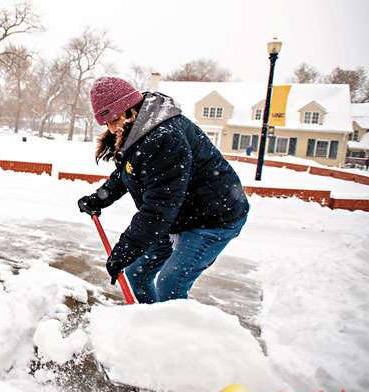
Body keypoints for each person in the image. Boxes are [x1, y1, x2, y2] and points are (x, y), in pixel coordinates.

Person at [78, 77, 249, 303]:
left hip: (213, 217)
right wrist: (100, 198)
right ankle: (151, 323)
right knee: (137, 274)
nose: (113, 129)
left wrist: (124, 250)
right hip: (178, 215)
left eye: (115, 120)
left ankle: (172, 335)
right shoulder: (138, 131)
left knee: (170, 283)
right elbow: (128, 171)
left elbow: (159, 207)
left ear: (131, 109)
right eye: (107, 123)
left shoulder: (164, 137)